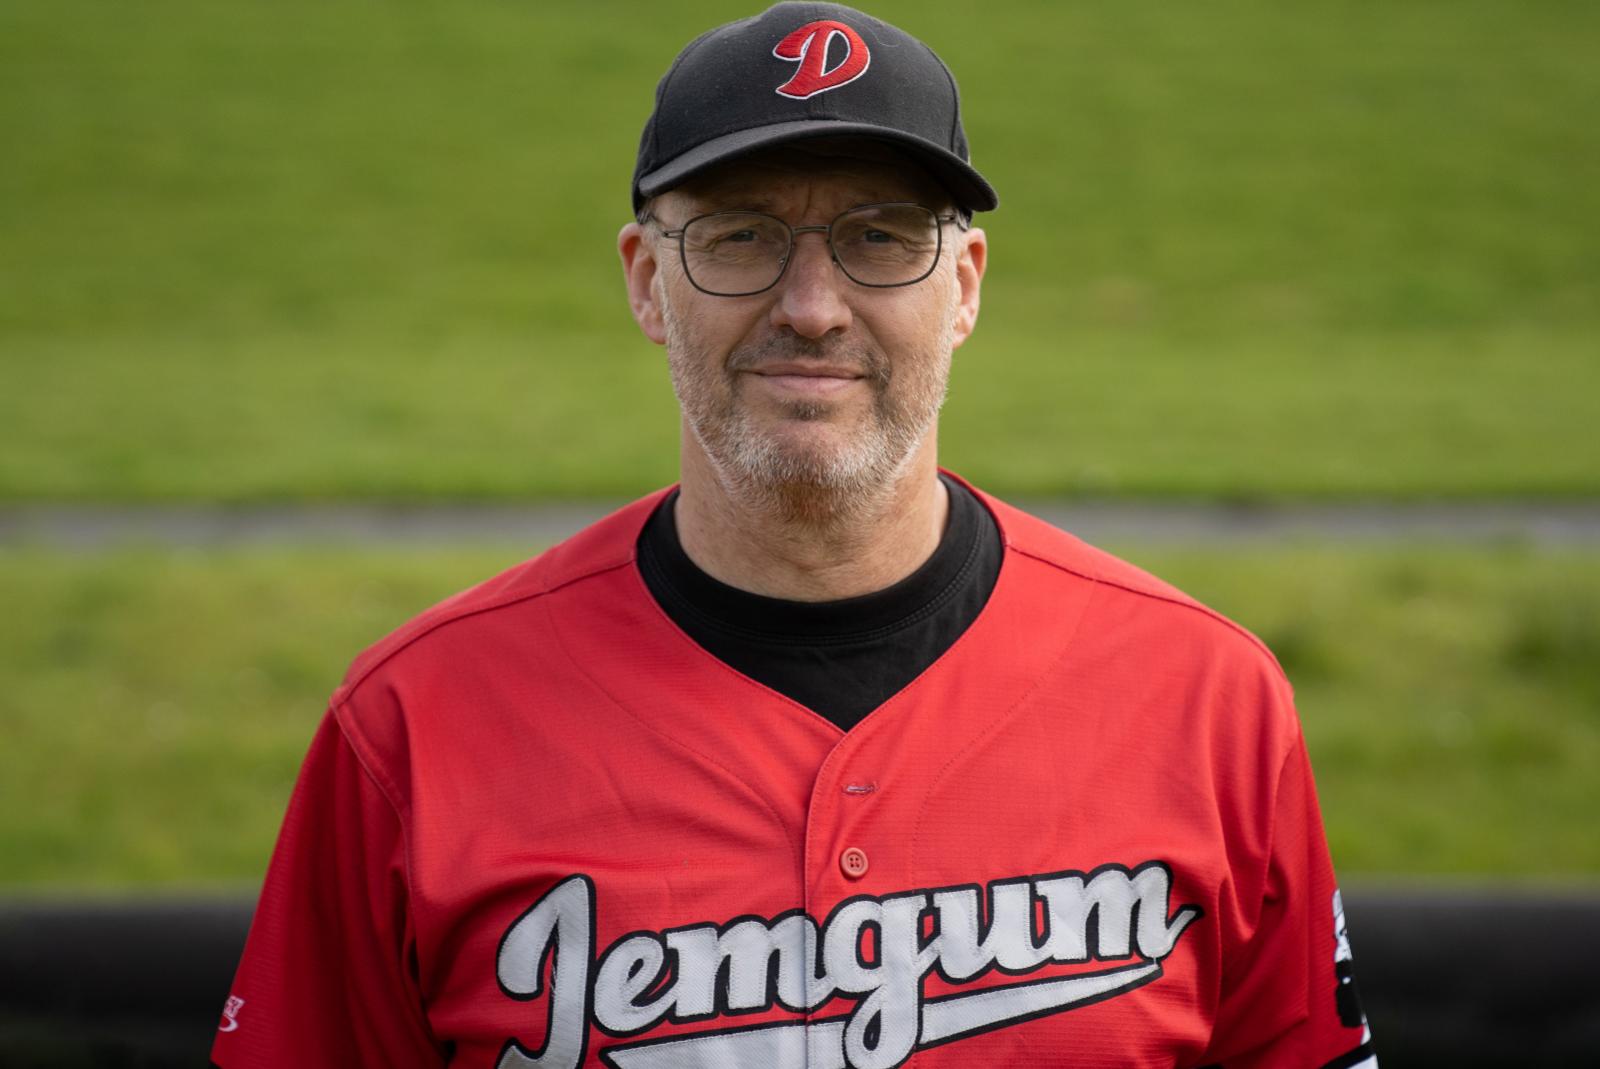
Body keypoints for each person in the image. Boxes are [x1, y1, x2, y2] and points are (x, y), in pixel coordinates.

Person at [212, 4, 1377, 1067]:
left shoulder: (1205, 700)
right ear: (646, 281)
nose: (812, 308)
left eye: (880, 238)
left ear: (965, 286)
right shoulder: (413, 727)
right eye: (739, 236)